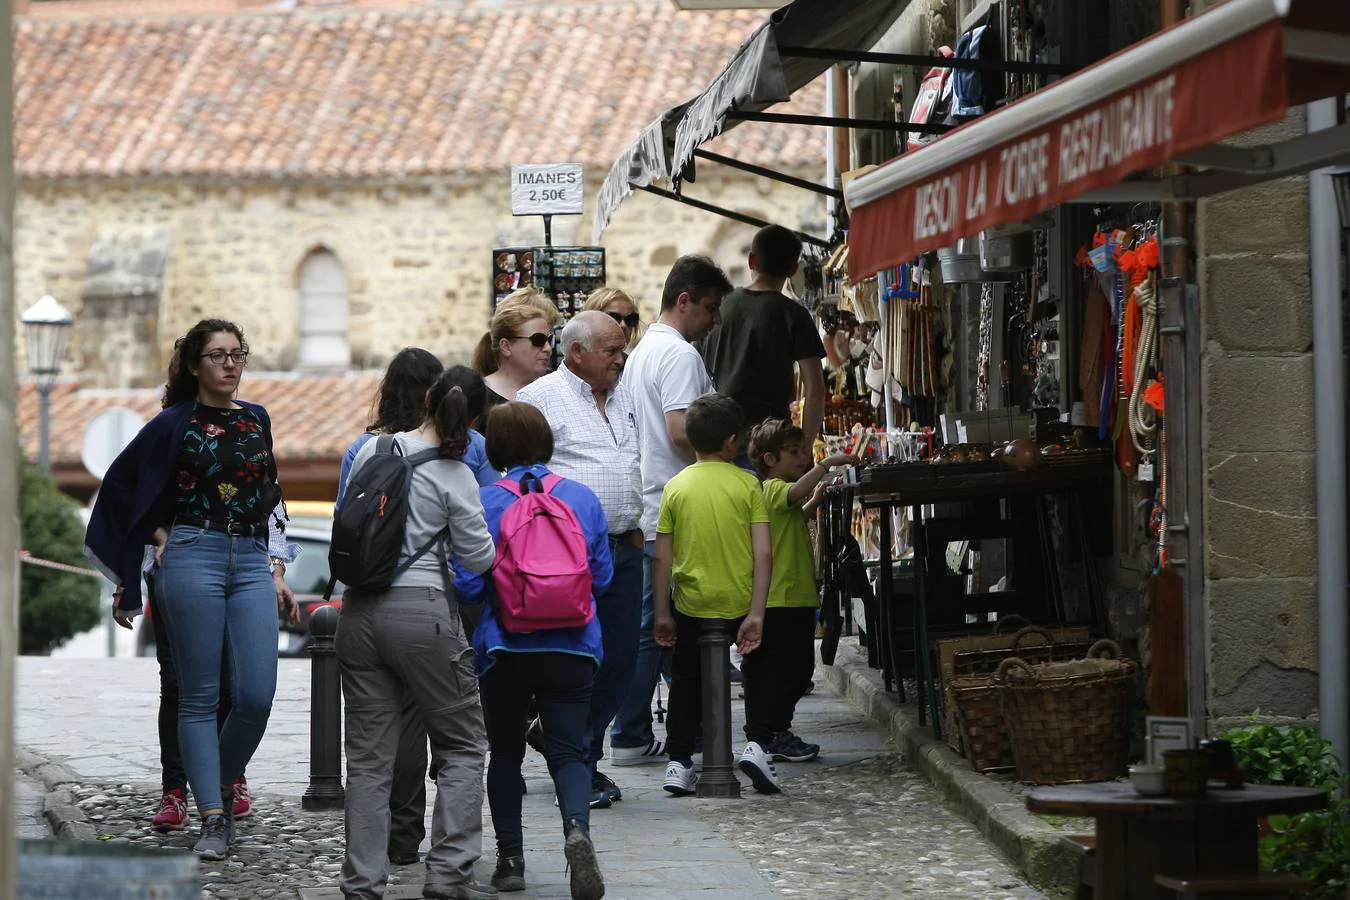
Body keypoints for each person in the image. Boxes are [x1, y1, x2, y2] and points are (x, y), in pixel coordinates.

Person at [85, 318, 301, 859]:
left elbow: (270, 495)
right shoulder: (174, 424)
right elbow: (122, 482)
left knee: (255, 694)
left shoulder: (257, 419)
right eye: (218, 355)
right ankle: (211, 815)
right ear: (194, 365)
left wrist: (277, 565)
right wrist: (160, 536)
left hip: (251, 559)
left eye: (238, 354)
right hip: (193, 558)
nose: (230, 364)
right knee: (199, 696)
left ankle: (219, 784)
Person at [333, 352, 497, 869]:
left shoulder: (371, 451)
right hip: (422, 615)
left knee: (366, 761)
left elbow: (348, 518)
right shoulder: (456, 475)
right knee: (463, 745)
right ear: (471, 423)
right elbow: (479, 558)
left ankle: (363, 880)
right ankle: (448, 871)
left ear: (427, 402)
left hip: (357, 615)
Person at [455, 401, 612, 900]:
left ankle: (510, 861)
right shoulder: (583, 499)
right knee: (569, 753)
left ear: (494, 448)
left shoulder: (486, 501)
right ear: (546, 442)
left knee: (503, 754)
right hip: (574, 647)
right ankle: (577, 830)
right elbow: (602, 578)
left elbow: (470, 587)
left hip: (505, 649)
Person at [516, 310, 641, 809]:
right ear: (577, 353)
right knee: (576, 662)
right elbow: (526, 477)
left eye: (621, 347)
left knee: (621, 661)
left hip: (624, 545)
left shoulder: (625, 392)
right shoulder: (539, 399)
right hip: (568, 555)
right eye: (611, 349)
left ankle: (569, 744)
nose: (621, 357)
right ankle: (580, 763)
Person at [609, 255, 731, 767]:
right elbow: (684, 432)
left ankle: (637, 730)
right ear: (684, 302)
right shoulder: (679, 356)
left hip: (653, 502)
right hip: (671, 504)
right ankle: (630, 732)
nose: (715, 320)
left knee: (652, 627)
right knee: (658, 629)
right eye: (709, 308)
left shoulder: (642, 352)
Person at [652, 393, 779, 796]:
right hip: (741, 600)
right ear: (731, 441)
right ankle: (758, 743)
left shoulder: (674, 487)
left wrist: (661, 613)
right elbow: (763, 550)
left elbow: (662, 558)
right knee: (760, 671)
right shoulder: (748, 484)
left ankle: (678, 760)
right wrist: (757, 611)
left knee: (686, 678)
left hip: (691, 602)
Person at [746, 418, 854, 763]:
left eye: (804, 451)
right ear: (769, 460)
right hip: (780, 598)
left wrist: (817, 498)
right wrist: (826, 464)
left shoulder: (781, 496)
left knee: (798, 670)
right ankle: (769, 733)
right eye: (793, 452)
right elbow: (792, 495)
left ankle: (776, 730)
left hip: (796, 597)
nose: (802, 457)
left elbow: (796, 512)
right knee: (784, 671)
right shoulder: (772, 488)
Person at [698, 224, 828, 453]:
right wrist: (804, 446)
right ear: (793, 269)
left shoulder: (718, 309)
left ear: (751, 261)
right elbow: (815, 391)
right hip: (769, 448)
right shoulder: (793, 315)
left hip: (717, 443)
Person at [472, 288, 562, 424]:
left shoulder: (554, 391)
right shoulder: (479, 396)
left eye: (550, 339)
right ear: (506, 346)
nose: (548, 348)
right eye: (538, 339)